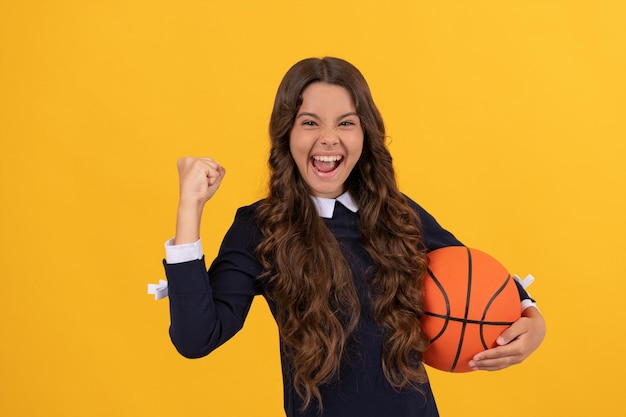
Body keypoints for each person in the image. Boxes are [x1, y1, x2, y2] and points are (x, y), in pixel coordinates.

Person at [162, 57, 546, 417]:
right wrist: (189, 208)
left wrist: (531, 318)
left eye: (346, 123)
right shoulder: (259, 227)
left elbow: (475, 277)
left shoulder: (397, 213)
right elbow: (196, 339)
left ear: (365, 133)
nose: (329, 138)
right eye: (310, 122)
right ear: (286, 133)